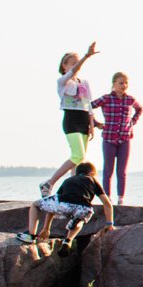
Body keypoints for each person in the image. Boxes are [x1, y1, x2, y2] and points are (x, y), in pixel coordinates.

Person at [41, 44, 99, 198]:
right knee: (77, 155)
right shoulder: (62, 81)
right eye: (72, 63)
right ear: (64, 66)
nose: (76, 66)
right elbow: (73, 72)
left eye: (76, 62)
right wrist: (86, 57)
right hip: (71, 120)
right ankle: (50, 182)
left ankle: (75, 191)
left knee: (80, 161)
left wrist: (92, 124)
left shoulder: (84, 82)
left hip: (84, 119)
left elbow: (89, 104)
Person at [21, 160, 112, 248]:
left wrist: (46, 228)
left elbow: (53, 204)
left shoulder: (69, 180)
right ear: (92, 173)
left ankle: (31, 235)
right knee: (80, 220)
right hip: (83, 208)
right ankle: (68, 240)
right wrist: (109, 223)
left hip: (64, 205)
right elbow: (107, 203)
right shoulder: (92, 180)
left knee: (35, 205)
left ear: (77, 172)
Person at [92, 72, 143, 205]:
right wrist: (96, 123)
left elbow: (139, 109)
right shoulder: (106, 98)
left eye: (126, 83)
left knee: (122, 171)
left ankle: (121, 198)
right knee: (108, 169)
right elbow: (88, 106)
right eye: (121, 83)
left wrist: (132, 122)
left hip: (125, 138)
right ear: (114, 84)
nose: (124, 86)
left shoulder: (130, 99)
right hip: (109, 137)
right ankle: (106, 198)